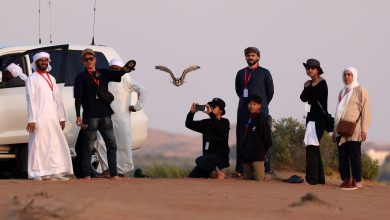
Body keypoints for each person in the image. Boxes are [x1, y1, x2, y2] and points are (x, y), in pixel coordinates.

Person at [73, 48, 132, 180]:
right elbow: (78, 98)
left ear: (95, 59)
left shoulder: (104, 72)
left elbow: (117, 75)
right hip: (90, 116)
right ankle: (87, 175)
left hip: (105, 114)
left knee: (112, 144)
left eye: (91, 58)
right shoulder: (80, 77)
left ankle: (114, 174)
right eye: (86, 59)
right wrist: (78, 116)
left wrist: (125, 70)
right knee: (88, 146)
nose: (89, 61)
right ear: (82, 61)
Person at [25, 52, 73, 181]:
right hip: (39, 117)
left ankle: (55, 171)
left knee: (54, 144)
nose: (44, 63)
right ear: (36, 63)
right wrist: (32, 120)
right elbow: (30, 100)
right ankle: (36, 173)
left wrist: (61, 117)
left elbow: (58, 99)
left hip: (53, 117)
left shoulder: (52, 78)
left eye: (46, 60)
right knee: (38, 144)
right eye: (41, 60)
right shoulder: (32, 78)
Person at [95, 58, 146, 177]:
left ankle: (121, 170)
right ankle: (106, 169)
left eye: (117, 69)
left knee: (122, 145)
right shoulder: (105, 79)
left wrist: (137, 106)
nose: (115, 71)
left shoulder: (126, 79)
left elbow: (144, 91)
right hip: (106, 116)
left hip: (122, 119)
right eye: (112, 69)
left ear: (121, 69)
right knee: (100, 142)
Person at [235, 47, 274, 176]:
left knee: (261, 138)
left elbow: (270, 92)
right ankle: (240, 169)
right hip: (243, 110)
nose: (250, 57)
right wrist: (246, 104)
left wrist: (261, 105)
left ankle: (266, 169)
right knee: (242, 137)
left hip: (260, 111)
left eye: (253, 55)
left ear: (258, 57)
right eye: (248, 55)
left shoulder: (265, 73)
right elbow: (238, 91)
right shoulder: (241, 73)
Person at [333, 67, 371, 190]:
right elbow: (337, 112)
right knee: (342, 156)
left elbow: (366, 110)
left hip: (355, 129)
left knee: (354, 155)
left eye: (349, 74)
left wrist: (364, 129)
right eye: (345, 74)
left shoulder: (361, 90)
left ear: (354, 76)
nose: (347, 77)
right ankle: (345, 179)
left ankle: (357, 180)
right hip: (341, 128)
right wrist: (335, 131)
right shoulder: (341, 92)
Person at [185, 98, 230, 179]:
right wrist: (191, 113)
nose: (211, 107)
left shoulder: (225, 122)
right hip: (207, 161)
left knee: (199, 160)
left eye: (214, 106)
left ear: (221, 110)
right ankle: (212, 173)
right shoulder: (206, 123)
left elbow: (219, 128)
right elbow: (189, 124)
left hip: (220, 158)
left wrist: (211, 114)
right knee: (191, 177)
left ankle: (219, 173)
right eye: (211, 105)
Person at [300, 58, 328, 185]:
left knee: (311, 148)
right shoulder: (308, 84)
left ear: (318, 70)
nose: (309, 70)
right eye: (308, 68)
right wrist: (309, 86)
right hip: (310, 119)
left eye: (312, 68)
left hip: (319, 120)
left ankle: (311, 179)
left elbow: (313, 97)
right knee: (314, 148)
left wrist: (309, 86)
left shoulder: (322, 83)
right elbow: (303, 98)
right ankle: (320, 178)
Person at [241, 95, 272, 181]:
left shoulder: (261, 119)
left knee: (259, 179)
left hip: (257, 156)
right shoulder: (247, 119)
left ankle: (271, 176)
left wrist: (261, 150)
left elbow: (268, 139)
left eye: (254, 104)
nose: (251, 106)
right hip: (247, 157)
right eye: (250, 104)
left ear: (259, 106)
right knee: (246, 178)